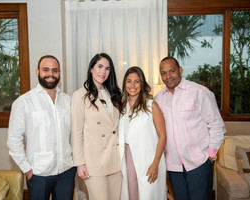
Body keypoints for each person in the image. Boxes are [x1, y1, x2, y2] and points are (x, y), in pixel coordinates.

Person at [155, 56, 226, 200]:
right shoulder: (159, 99)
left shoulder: (199, 92)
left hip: (199, 163)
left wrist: (210, 156)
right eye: (163, 73)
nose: (168, 76)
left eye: (172, 71)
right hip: (173, 166)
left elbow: (217, 125)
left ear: (180, 70)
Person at [7, 55, 76, 200]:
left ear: (59, 73)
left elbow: (74, 134)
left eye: (55, 70)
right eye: (46, 70)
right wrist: (27, 170)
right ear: (37, 72)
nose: (50, 74)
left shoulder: (68, 101)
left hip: (66, 170)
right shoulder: (23, 102)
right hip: (38, 174)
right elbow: (14, 140)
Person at [71, 53, 122, 200]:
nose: (103, 71)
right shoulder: (80, 96)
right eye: (100, 66)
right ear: (92, 68)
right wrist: (80, 163)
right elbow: (77, 132)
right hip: (94, 162)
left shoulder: (114, 94)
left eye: (107, 68)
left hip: (115, 160)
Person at [119, 66, 167, 200]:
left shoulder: (152, 105)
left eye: (136, 81)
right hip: (128, 157)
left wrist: (155, 163)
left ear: (142, 84)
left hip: (148, 159)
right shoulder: (122, 106)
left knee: (148, 194)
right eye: (129, 81)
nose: (132, 85)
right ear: (124, 84)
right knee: (131, 193)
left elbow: (163, 136)